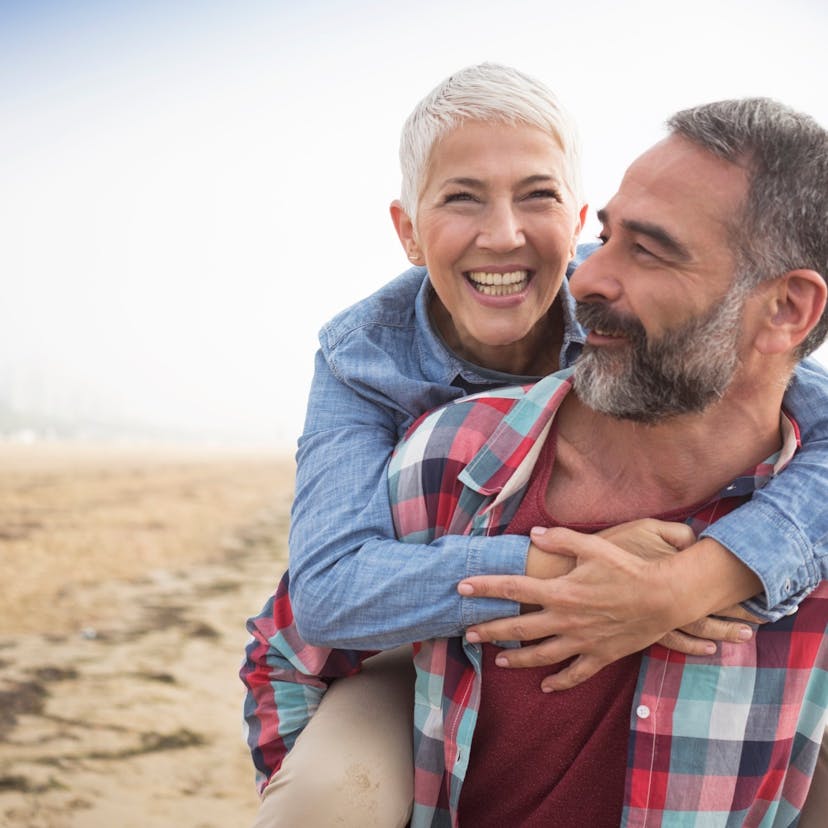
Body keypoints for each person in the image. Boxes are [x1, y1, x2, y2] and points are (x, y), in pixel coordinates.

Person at [241, 65, 828, 825]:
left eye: (538, 197)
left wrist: (693, 581)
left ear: (575, 216)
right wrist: (548, 569)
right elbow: (325, 596)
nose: (505, 235)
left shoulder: (616, 306)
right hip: (412, 629)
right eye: (461, 197)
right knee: (330, 795)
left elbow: (784, 391)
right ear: (408, 232)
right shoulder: (367, 363)